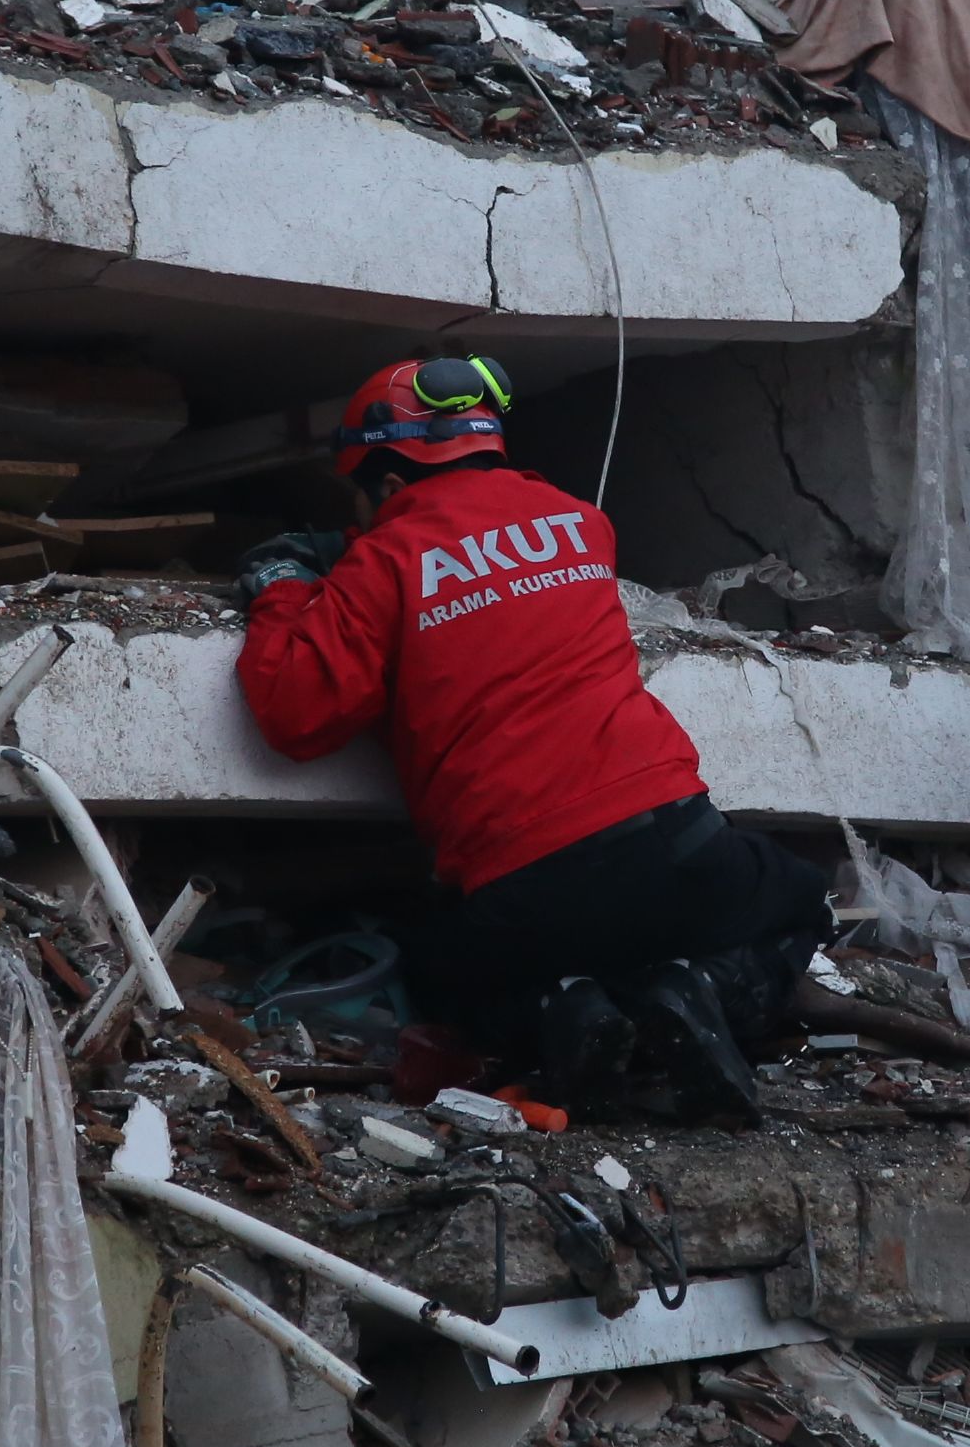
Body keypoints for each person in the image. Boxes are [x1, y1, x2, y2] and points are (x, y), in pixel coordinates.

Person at [234, 355, 830, 1118]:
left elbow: (295, 715)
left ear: (387, 484)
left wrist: (286, 586)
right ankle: (702, 988)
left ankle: (563, 1010)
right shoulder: (584, 524)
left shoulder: (384, 560)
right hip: (676, 846)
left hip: (523, 892)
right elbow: (493, 590)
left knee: (440, 975)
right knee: (801, 900)